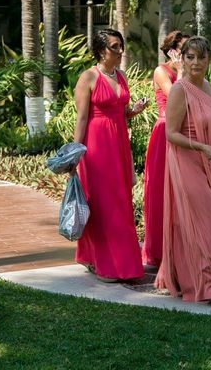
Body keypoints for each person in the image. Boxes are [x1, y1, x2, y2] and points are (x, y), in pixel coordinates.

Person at [155, 36, 211, 310]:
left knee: (198, 223)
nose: (196, 62)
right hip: (186, 161)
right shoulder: (179, 90)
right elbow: (171, 134)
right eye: (190, 57)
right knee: (206, 223)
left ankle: (184, 276)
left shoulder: (208, 87)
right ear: (182, 59)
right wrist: (200, 145)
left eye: (201, 57)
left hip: (209, 161)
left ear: (209, 59)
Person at [73, 29, 146, 283]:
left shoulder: (122, 76)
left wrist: (134, 111)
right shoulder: (88, 77)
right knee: (103, 204)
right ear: (101, 50)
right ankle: (103, 261)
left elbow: (121, 113)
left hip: (119, 146)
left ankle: (123, 262)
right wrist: (75, 152)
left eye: (121, 46)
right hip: (96, 147)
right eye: (114, 47)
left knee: (121, 201)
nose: (120, 51)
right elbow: (82, 117)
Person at [142, 30, 189, 267]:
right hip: (165, 133)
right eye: (182, 49)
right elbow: (175, 98)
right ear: (172, 51)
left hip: (185, 134)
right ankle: (159, 250)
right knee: (162, 190)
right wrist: (180, 71)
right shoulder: (162, 71)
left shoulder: (190, 72)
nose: (187, 54)